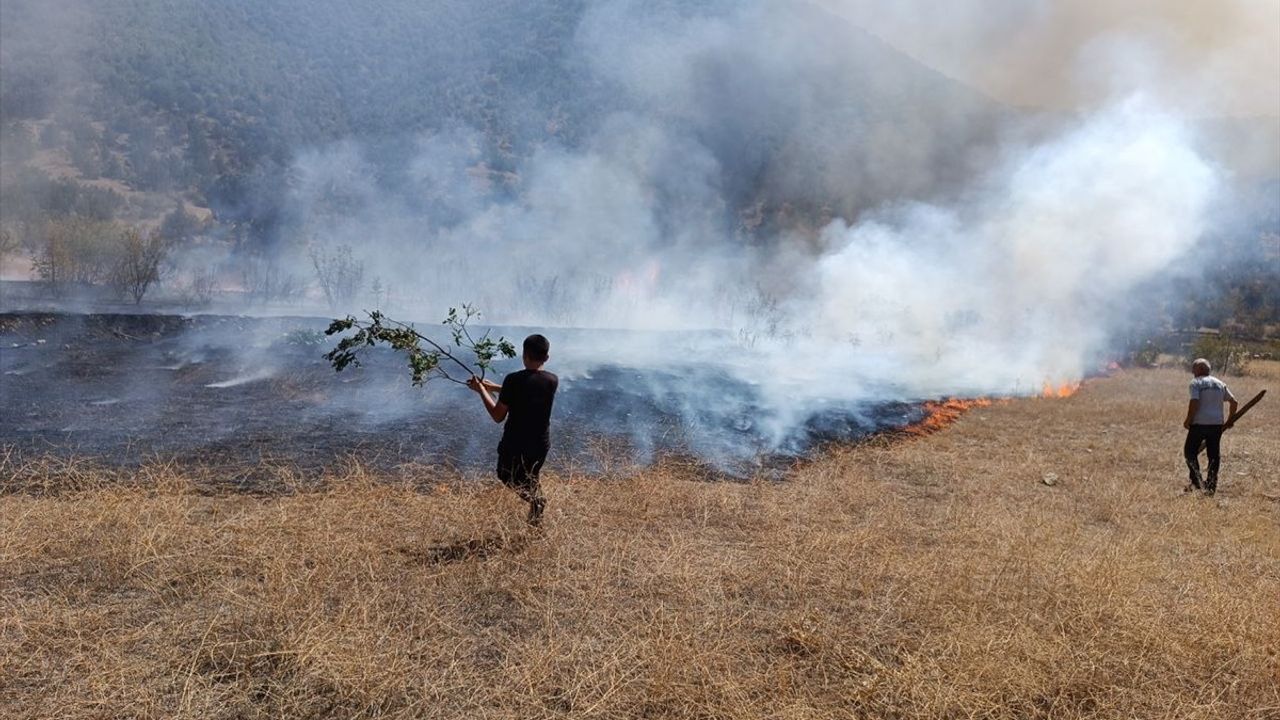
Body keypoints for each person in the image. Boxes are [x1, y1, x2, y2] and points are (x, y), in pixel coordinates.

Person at [468, 334, 558, 524]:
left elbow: (498, 416)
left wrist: (481, 390)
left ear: (523, 355)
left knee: (505, 474)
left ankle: (537, 501)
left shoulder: (513, 380)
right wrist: (494, 388)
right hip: (541, 444)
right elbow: (528, 389)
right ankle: (535, 525)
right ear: (547, 358)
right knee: (530, 477)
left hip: (516, 444)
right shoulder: (552, 380)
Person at [1182, 357, 1238, 496]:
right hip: (1216, 425)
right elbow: (1234, 402)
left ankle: (1197, 482)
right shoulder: (1219, 383)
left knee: (1189, 453)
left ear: (1199, 369)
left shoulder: (1196, 383)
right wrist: (1230, 420)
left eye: (1194, 368)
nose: (1192, 371)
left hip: (1199, 424)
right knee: (1213, 456)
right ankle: (1211, 486)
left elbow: (1194, 402)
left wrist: (1188, 420)